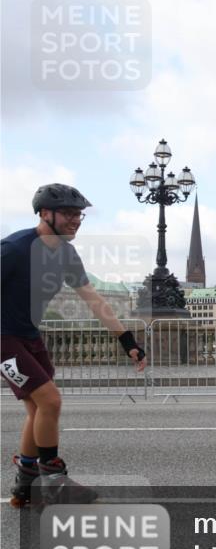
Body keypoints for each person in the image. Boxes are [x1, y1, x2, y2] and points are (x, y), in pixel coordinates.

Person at [1, 184, 147, 507]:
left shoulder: (66, 254)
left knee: (38, 409)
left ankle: (27, 483)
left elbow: (94, 300)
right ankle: (52, 482)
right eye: (68, 213)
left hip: (28, 336)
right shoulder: (13, 248)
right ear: (44, 214)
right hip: (3, 339)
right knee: (51, 401)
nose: (76, 220)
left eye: (78, 214)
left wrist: (127, 340)